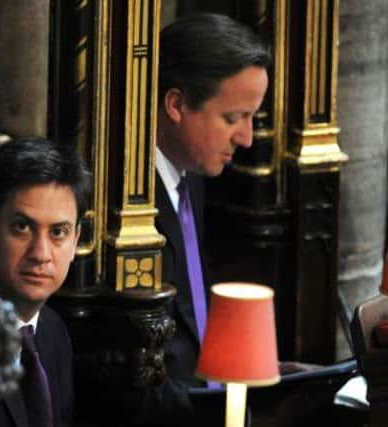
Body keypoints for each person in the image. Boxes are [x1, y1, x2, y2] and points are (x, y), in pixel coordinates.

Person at [150, 12, 271, 425]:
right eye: (233, 118)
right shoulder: (128, 203)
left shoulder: (192, 179)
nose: (247, 138)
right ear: (176, 105)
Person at [0, 137, 91, 427]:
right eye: (22, 228)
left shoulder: (52, 330)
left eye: (58, 232)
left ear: (75, 240)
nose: (40, 254)